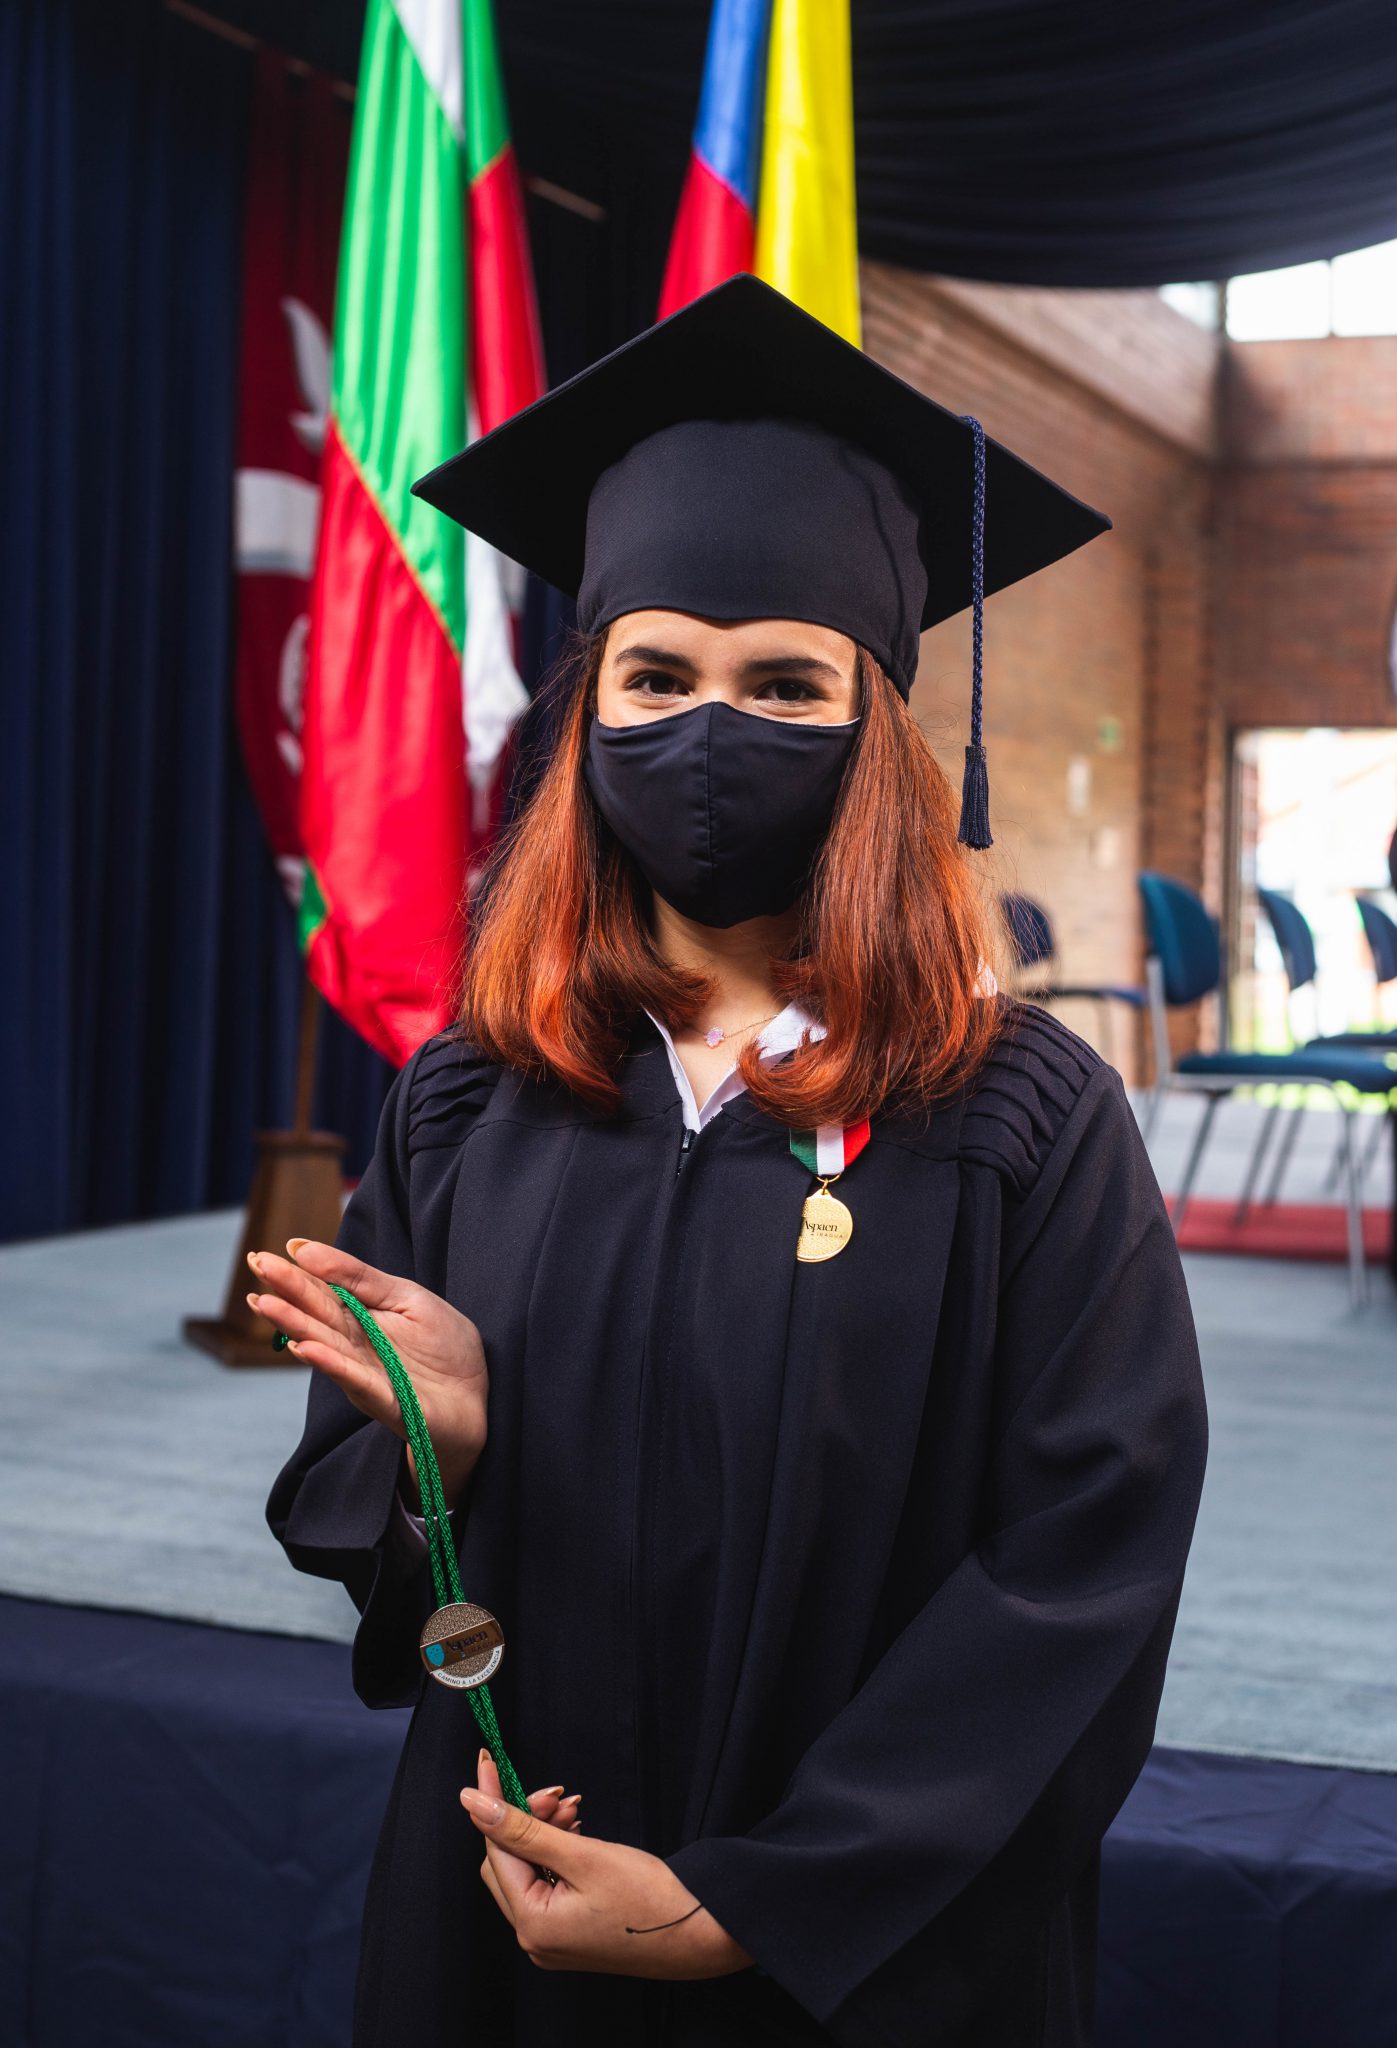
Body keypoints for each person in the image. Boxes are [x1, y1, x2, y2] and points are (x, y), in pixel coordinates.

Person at [259, 275, 1208, 2048]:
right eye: (656, 677)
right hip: (512, 1894)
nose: (709, 733)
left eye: (783, 682)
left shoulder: (1017, 1117)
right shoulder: (470, 1097)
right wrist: (433, 1457)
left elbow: (1082, 1566)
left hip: (864, 1946)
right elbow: (377, 1539)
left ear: (881, 724)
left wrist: (757, 1906)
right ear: (587, 711)